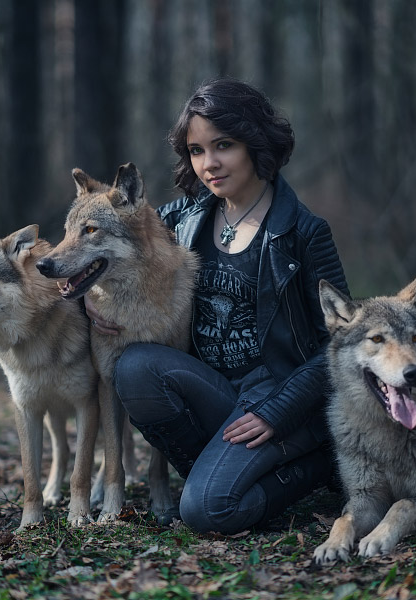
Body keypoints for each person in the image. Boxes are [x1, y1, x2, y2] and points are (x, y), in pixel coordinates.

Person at [87, 77, 349, 534]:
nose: (209, 163)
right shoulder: (180, 219)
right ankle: (213, 472)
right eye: (195, 150)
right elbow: (94, 249)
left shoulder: (305, 232)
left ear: (255, 142)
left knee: (209, 512)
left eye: (223, 145)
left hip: (275, 396)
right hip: (209, 387)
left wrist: (279, 411)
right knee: (134, 365)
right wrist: (88, 299)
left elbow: (345, 342)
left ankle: (311, 467)